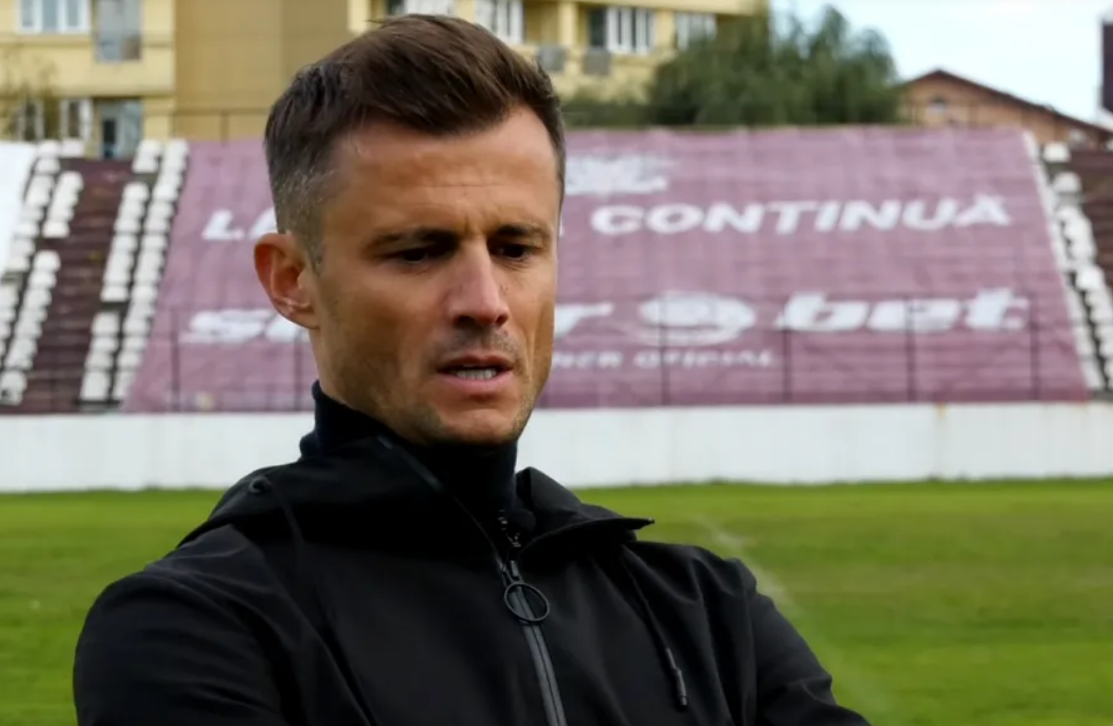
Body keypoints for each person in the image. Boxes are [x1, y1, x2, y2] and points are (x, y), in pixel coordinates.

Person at [72, 14, 871, 726]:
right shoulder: (193, 627)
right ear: (292, 280)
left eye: (515, 248)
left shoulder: (706, 611)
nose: (484, 302)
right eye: (418, 252)